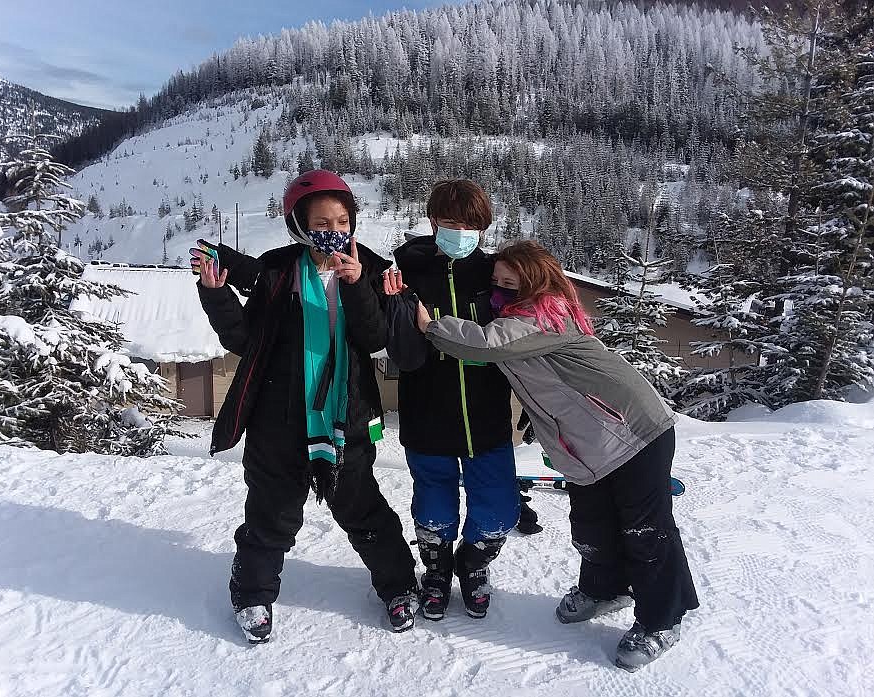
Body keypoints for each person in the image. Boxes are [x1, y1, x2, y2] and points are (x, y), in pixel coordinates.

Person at [412, 240, 699, 671]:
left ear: (536, 282)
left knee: (645, 531)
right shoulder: (522, 314)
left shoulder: (545, 313)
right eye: (496, 283)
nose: (501, 291)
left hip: (633, 430)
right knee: (592, 525)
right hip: (585, 443)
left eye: (512, 283)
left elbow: (486, 345)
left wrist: (429, 326)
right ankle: (606, 589)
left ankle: (662, 619)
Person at [195, 169, 419, 643]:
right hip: (278, 419)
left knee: (363, 509)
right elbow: (244, 340)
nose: (333, 231)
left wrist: (358, 284)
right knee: (271, 512)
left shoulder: (373, 268)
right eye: (321, 221)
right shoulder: (277, 270)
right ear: (298, 224)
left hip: (347, 419)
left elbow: (376, 338)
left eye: (342, 219)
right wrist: (216, 296)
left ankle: (399, 585)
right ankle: (252, 593)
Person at [383, 179, 520, 621]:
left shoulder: (497, 275)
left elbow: (529, 330)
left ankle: (472, 566)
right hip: (427, 415)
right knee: (434, 508)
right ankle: (437, 571)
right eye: (449, 223)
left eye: (470, 224)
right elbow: (395, 343)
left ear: (482, 227)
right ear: (433, 222)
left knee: (499, 509)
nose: (460, 231)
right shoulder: (407, 274)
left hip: (487, 416)